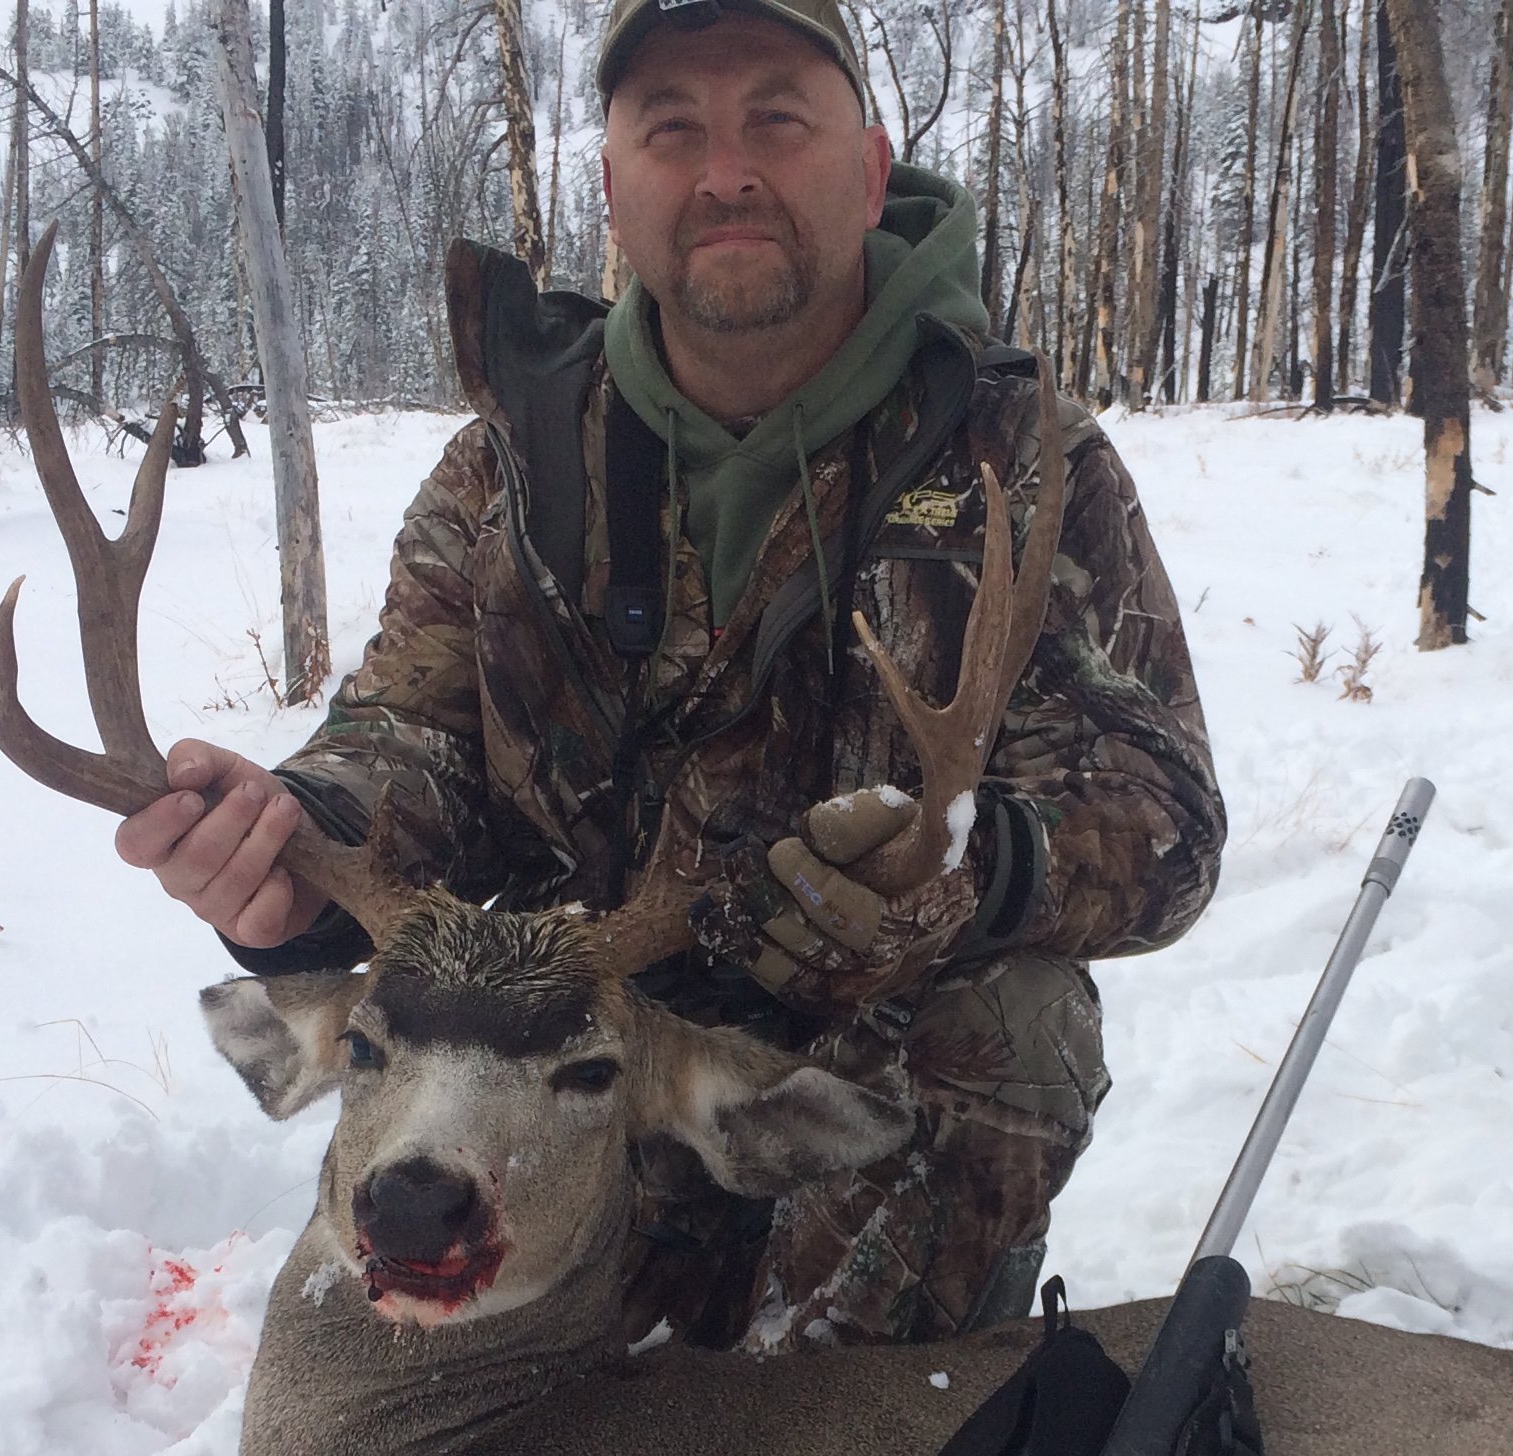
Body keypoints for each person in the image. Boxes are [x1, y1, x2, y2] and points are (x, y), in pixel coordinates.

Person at [118, 0, 1226, 1350]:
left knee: (1018, 1020)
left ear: (869, 169)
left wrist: (970, 859)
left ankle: (852, 1429)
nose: (725, 173)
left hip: (835, 1107)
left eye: (776, 117)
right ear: (611, 185)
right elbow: (408, 732)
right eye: (673, 129)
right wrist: (301, 845)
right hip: (547, 1088)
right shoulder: (509, 468)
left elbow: (1159, 814)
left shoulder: (1020, 462)